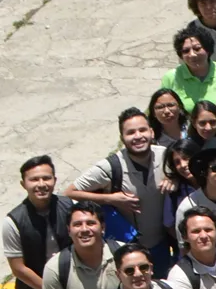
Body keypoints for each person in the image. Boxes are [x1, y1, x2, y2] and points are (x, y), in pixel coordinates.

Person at [67, 109, 169, 271]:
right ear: (122, 138)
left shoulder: (165, 155)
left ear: (151, 132)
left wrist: (173, 178)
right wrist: (111, 199)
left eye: (142, 130)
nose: (137, 136)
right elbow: (70, 192)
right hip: (127, 250)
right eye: (130, 132)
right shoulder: (110, 167)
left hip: (162, 246)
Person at [6, 155, 74, 289]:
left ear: (54, 179)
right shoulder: (14, 221)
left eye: (47, 178)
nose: (41, 184)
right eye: (34, 180)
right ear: (23, 184)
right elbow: (19, 269)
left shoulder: (69, 206)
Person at [41, 202, 119, 289]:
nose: (84, 229)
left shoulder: (124, 255)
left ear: (103, 227)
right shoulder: (55, 268)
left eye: (91, 223)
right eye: (77, 224)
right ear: (69, 230)